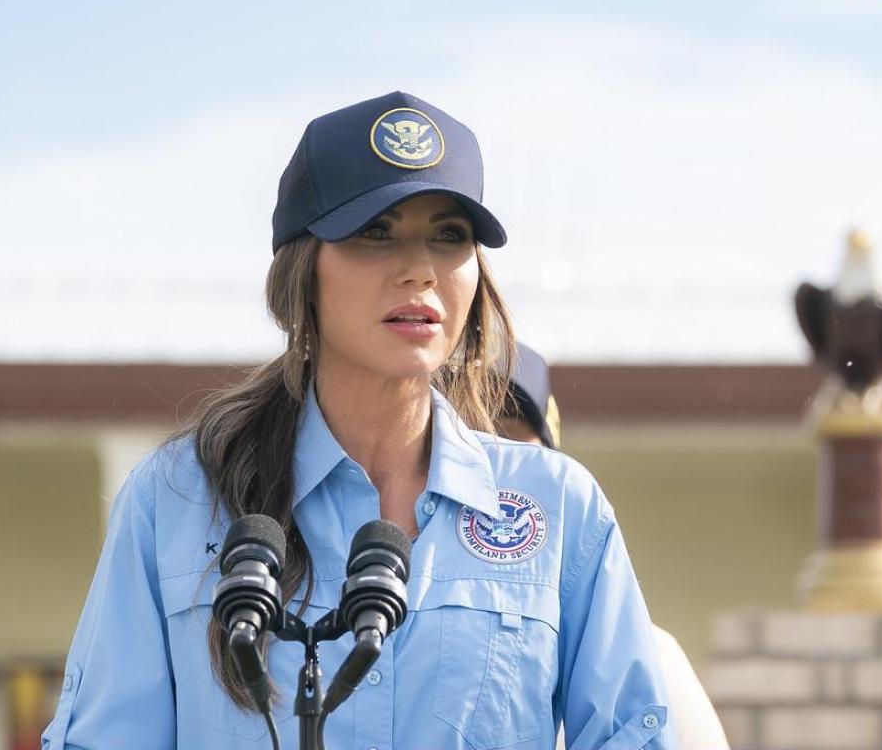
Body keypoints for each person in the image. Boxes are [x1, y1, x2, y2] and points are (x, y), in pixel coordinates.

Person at [43, 91, 674, 750]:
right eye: (376, 231)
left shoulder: (558, 507)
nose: (419, 269)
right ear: (301, 270)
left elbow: (633, 737)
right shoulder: (174, 499)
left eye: (449, 235)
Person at [496, 343, 731, 750]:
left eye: (509, 442)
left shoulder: (652, 660)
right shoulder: (368, 635)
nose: (487, 463)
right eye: (460, 438)